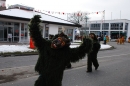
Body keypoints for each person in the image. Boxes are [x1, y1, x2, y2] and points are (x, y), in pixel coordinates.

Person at [28, 15, 93, 86]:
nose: (57, 44)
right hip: (43, 77)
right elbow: (36, 36)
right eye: (57, 41)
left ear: (64, 45)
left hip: (55, 80)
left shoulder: (66, 52)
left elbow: (79, 52)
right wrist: (34, 24)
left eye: (61, 43)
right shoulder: (46, 45)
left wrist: (87, 44)